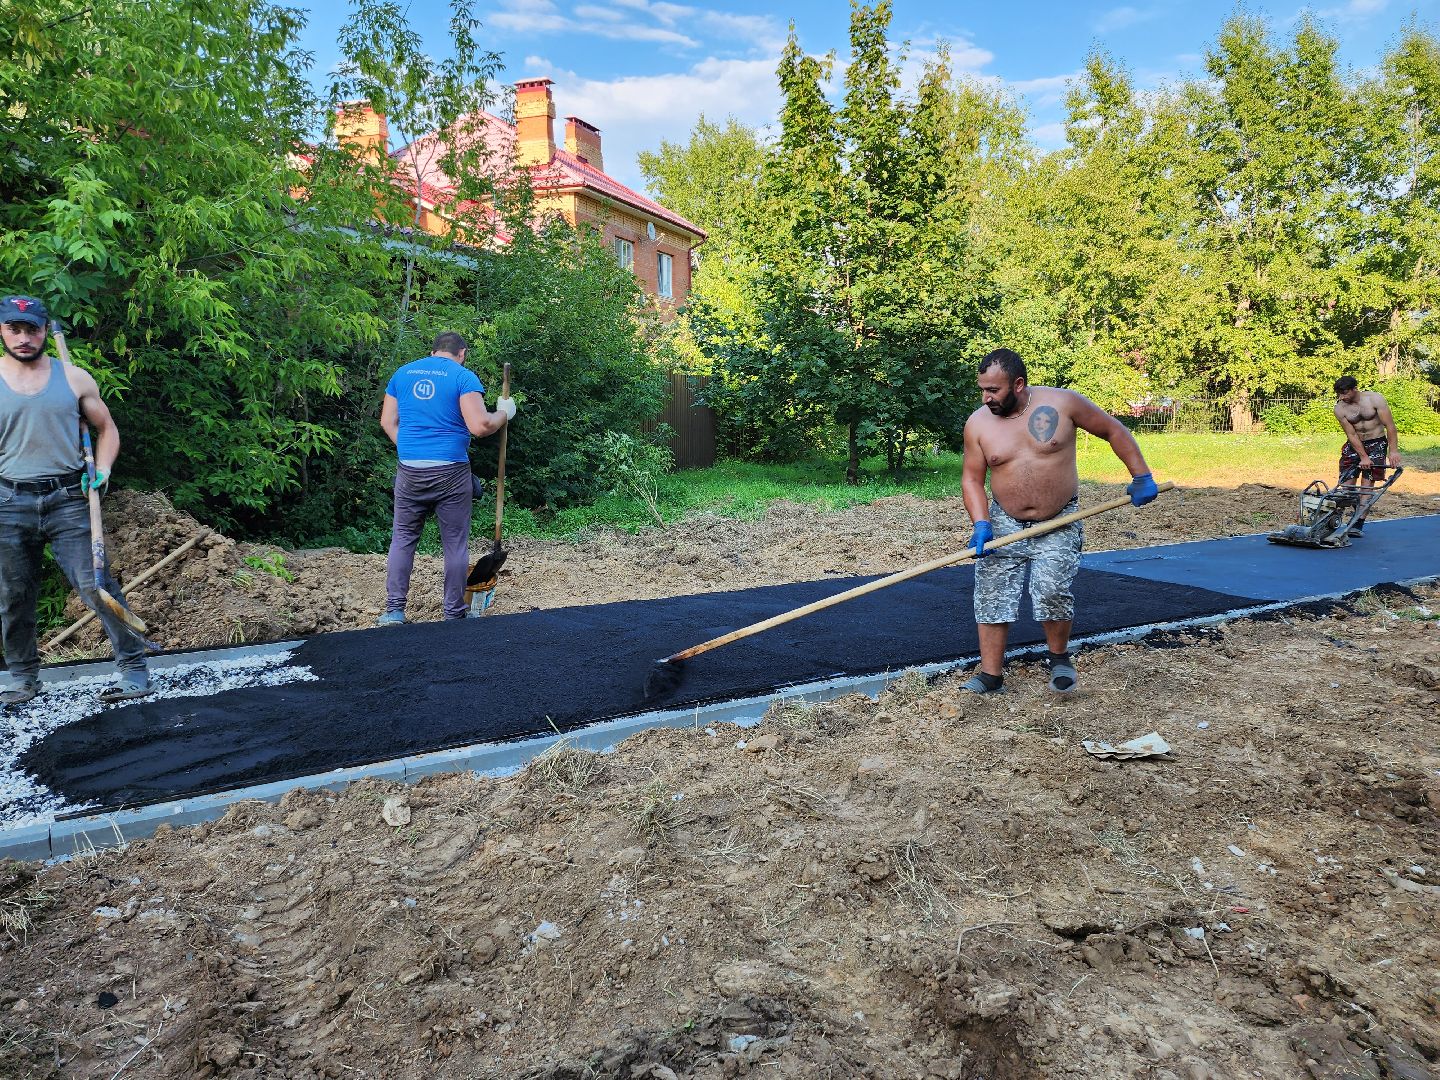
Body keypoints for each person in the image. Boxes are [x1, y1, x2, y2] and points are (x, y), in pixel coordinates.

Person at [960, 348, 1157, 695]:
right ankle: (991, 676)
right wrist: (981, 523)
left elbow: (1112, 430)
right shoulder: (978, 424)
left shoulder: (1064, 403)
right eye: (983, 390)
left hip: (1059, 520)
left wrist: (1140, 475)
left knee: (1051, 590)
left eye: (993, 390)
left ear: (1018, 384)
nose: (986, 398)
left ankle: (1059, 659)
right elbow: (972, 479)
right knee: (991, 594)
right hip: (1004, 521)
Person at [0, 296, 151, 705]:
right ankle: (23, 678)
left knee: (95, 584)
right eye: (15, 328)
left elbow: (108, 429)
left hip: (68, 497)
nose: (24, 337)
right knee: (14, 594)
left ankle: (134, 669)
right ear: (2, 331)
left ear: (44, 331)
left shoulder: (73, 378)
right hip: (8, 501)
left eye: (32, 329)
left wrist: (103, 470)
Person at [378, 331, 515, 624]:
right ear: (462, 353)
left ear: (433, 351)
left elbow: (387, 421)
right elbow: (480, 426)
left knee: (402, 539)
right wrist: (504, 414)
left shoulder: (402, 374)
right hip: (450, 472)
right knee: (454, 543)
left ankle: (394, 611)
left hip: (409, 471)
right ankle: (454, 613)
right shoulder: (462, 377)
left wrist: (412, 449)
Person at [1333, 376, 1400, 538]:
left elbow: (1390, 426)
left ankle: (1358, 523)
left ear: (1354, 389)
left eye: (1344, 393)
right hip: (1354, 444)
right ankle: (1353, 506)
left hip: (1376, 443)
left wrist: (1393, 451)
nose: (1341, 397)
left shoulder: (1375, 399)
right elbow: (1351, 434)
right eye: (1339, 394)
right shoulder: (1340, 409)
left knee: (1367, 486)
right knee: (1346, 487)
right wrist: (1363, 457)